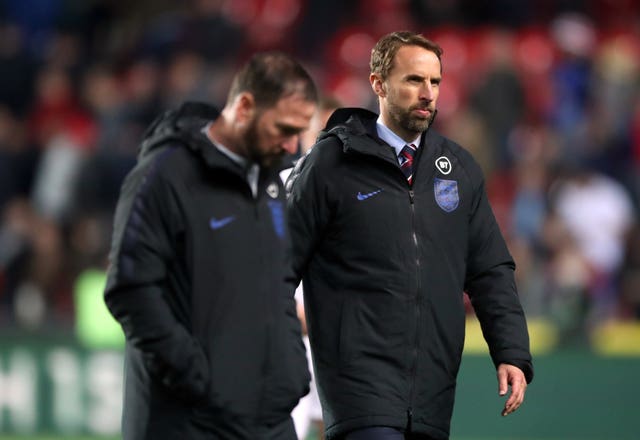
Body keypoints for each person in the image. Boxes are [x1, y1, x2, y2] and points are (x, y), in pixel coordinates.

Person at [286, 31, 534, 440]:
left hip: (432, 389)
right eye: (414, 80)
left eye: (435, 82)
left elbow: (490, 269)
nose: (428, 93)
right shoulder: (331, 162)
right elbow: (281, 263)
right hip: (357, 384)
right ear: (378, 84)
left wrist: (510, 352)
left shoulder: (458, 168)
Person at [104, 51, 318, 440]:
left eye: (299, 133)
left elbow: (278, 286)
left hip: (267, 418)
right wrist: (198, 376)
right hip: (189, 421)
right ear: (245, 106)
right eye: (284, 129)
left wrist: (291, 371)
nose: (291, 148)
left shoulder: (269, 185)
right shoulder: (164, 175)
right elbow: (130, 290)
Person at [285, 94, 342, 440]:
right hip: (288, 334)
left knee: (337, 425)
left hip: (341, 333)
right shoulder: (276, 184)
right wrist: (290, 308)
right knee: (285, 425)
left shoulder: (365, 190)